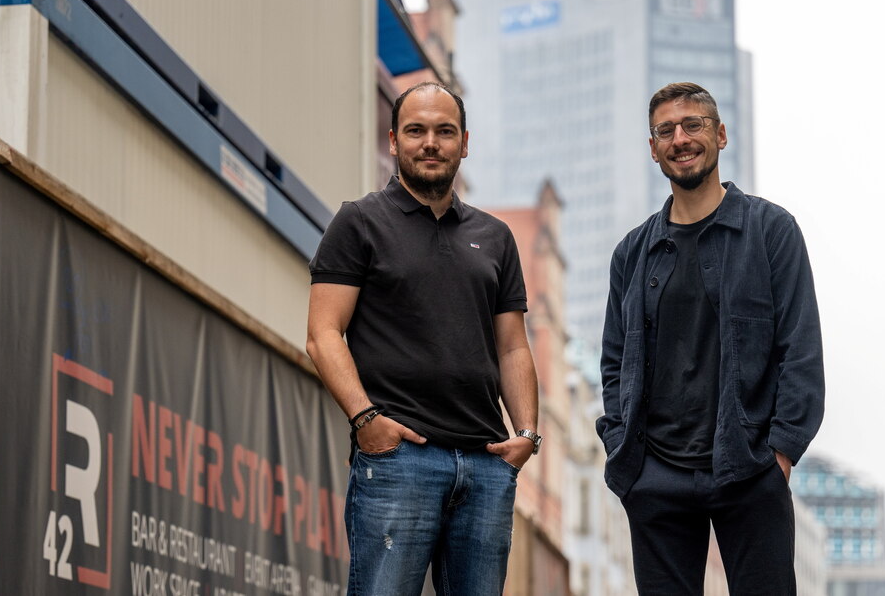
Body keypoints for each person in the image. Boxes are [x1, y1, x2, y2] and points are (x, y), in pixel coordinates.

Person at [306, 81, 540, 595]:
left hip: (486, 463)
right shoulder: (359, 222)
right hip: (399, 460)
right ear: (393, 141)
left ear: (464, 142)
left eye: (444, 131)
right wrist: (366, 420)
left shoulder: (495, 237)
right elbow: (324, 334)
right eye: (415, 131)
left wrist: (527, 433)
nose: (430, 142)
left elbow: (513, 346)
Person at [596, 82, 824, 595]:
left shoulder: (771, 231)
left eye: (692, 125)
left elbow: (800, 350)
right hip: (655, 477)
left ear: (720, 135)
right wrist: (622, 449)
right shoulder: (632, 254)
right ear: (653, 149)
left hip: (749, 468)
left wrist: (780, 455)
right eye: (665, 131)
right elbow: (614, 363)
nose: (680, 138)